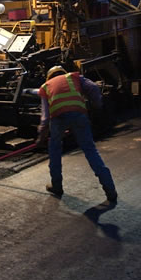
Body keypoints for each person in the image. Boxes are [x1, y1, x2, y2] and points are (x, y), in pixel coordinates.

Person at [37, 65, 117, 206]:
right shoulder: (74, 77)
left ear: (49, 77)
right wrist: (97, 106)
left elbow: (45, 117)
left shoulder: (45, 86)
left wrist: (41, 137)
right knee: (90, 150)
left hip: (58, 118)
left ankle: (57, 186)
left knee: (55, 150)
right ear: (63, 73)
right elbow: (94, 88)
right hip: (78, 114)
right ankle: (110, 190)